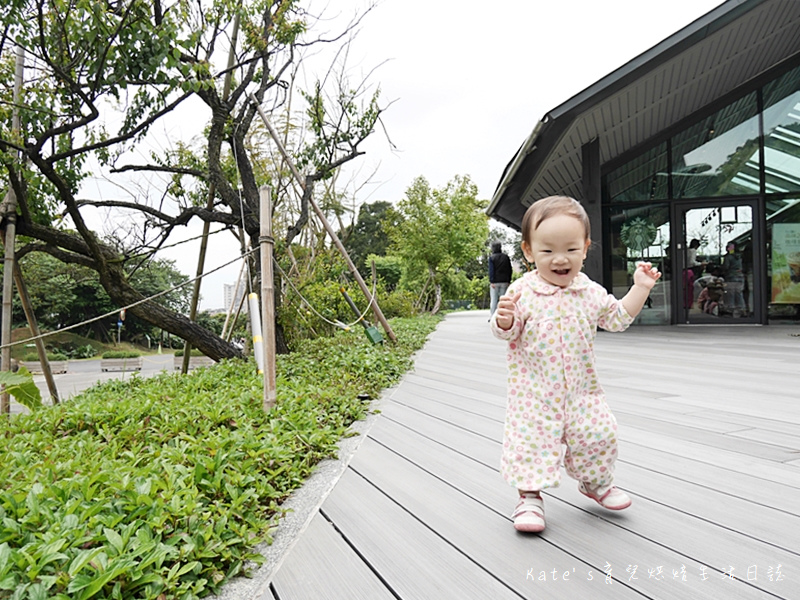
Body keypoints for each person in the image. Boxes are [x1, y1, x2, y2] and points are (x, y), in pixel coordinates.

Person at [490, 196, 660, 533]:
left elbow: (617, 318)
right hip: (535, 394)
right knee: (531, 444)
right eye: (547, 250)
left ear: (585, 248)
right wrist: (505, 319)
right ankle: (529, 498)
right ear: (528, 252)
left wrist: (639, 289)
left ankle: (596, 484)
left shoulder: (589, 291)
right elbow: (505, 333)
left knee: (599, 434)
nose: (559, 259)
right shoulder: (523, 292)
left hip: (583, 392)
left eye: (570, 249)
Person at [488, 241, 512, 315]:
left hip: (495, 282)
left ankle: (492, 317)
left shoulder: (491, 258)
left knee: (494, 300)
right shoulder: (506, 257)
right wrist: (508, 280)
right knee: (503, 300)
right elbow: (509, 269)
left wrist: (491, 281)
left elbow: (491, 270)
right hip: (504, 281)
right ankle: (503, 315)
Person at [722, 241, 745, 317]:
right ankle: (741, 309)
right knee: (739, 293)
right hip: (740, 277)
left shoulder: (728, 257)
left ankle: (730, 311)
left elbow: (726, 267)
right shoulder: (740, 257)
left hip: (731, 277)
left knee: (730, 294)